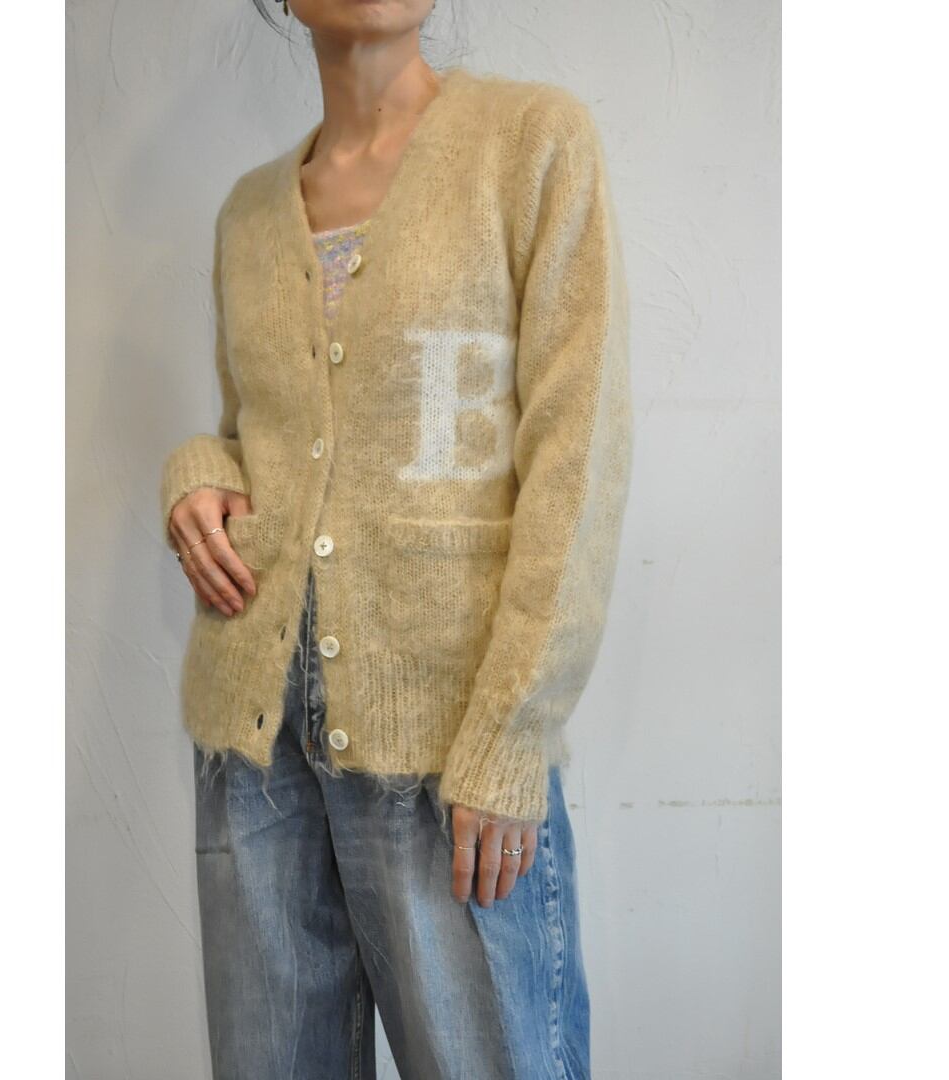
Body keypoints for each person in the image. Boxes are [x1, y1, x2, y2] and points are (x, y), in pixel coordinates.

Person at [161, 1, 632, 1074]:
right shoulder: (248, 213)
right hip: (257, 748)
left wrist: (512, 732)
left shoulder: (531, 142)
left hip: (450, 740)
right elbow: (263, 440)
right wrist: (197, 474)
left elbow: (581, 453)